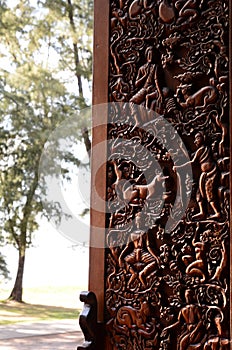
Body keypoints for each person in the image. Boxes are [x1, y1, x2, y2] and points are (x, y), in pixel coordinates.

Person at [173, 132, 221, 219]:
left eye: (198, 138)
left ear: (204, 138)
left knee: (209, 192)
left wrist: (179, 167)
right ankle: (202, 212)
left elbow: (192, 162)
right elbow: (190, 157)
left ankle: (217, 212)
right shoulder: (199, 150)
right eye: (195, 139)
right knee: (199, 193)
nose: (195, 141)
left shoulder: (203, 149)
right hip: (204, 175)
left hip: (211, 173)